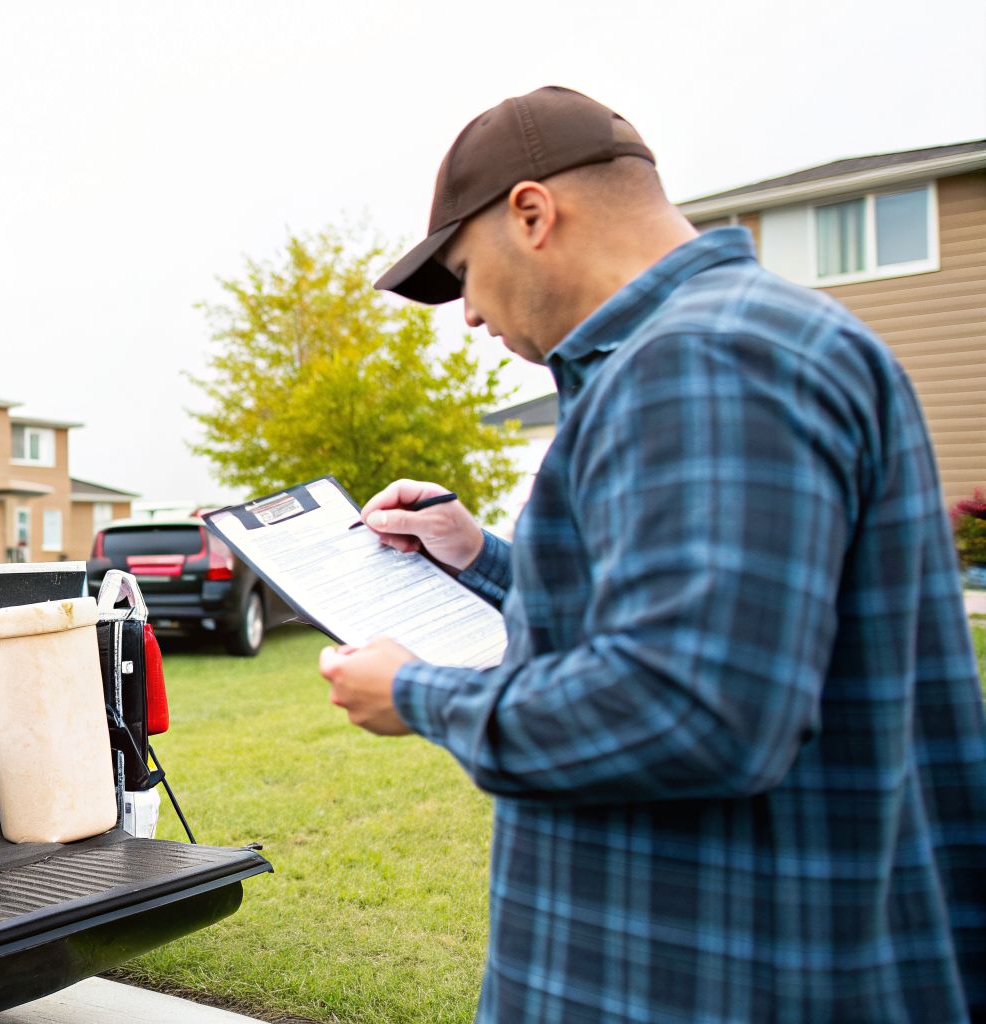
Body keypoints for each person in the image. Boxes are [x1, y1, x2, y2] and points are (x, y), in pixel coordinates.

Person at [321, 86, 986, 1022]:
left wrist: (416, 694)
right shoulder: (740, 339)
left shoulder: (704, 360)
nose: (467, 315)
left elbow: (696, 706)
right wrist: (477, 554)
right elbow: (676, 620)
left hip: (714, 977)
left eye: (465, 273)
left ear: (533, 213)